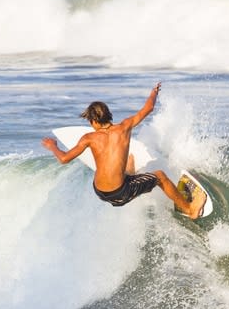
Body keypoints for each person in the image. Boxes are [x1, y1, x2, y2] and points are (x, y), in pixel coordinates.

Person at [42, 83, 207, 220]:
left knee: (124, 163)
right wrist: (154, 92)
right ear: (109, 116)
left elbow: (64, 159)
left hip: (99, 191)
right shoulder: (124, 127)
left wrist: (52, 146)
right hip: (120, 193)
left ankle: (128, 172)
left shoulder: (89, 138)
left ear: (93, 121)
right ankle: (190, 210)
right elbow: (148, 108)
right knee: (160, 176)